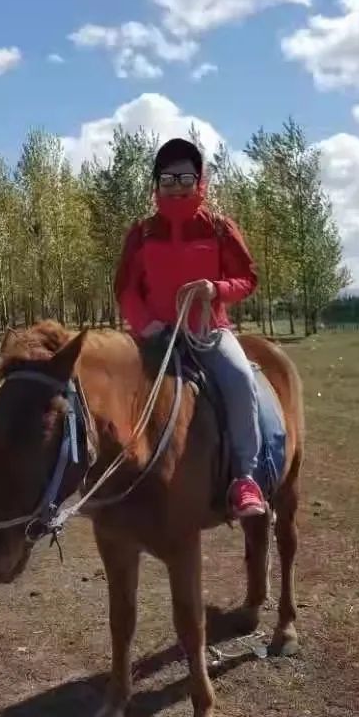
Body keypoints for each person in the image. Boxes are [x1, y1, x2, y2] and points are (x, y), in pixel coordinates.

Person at [114, 136, 266, 518]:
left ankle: (245, 480)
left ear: (200, 181)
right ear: (156, 183)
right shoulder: (142, 233)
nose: (177, 186)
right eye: (168, 178)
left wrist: (215, 289)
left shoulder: (218, 229)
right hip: (153, 338)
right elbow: (127, 289)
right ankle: (111, 480)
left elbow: (247, 278)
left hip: (209, 333)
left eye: (185, 178)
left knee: (240, 379)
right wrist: (147, 327)